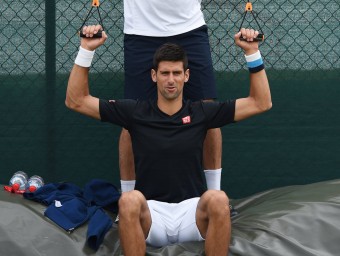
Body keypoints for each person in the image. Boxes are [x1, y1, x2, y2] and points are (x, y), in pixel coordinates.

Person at [66, 24, 271, 255]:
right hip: (151, 215)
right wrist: (86, 49)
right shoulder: (135, 111)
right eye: (165, 73)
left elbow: (260, 102)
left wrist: (252, 52)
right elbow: (76, 100)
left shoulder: (201, 112)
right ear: (154, 76)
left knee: (218, 199)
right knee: (129, 201)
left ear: (186, 75)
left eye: (176, 73)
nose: (170, 80)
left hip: (192, 214)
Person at [120, 1, 222, 193]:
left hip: (189, 28)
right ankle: (128, 200)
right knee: (131, 115)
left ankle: (214, 195)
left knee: (208, 109)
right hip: (141, 31)